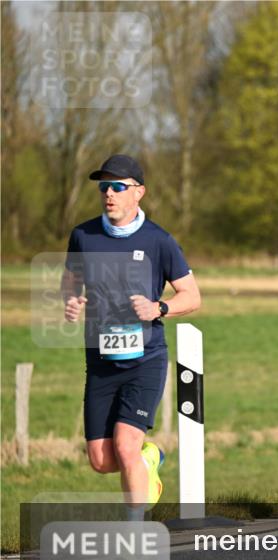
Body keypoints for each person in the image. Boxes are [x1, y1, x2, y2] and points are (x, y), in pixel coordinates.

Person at [62, 154, 201, 520]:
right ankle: (149, 458)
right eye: (104, 187)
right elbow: (70, 283)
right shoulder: (83, 236)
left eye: (118, 186)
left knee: (125, 445)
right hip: (101, 362)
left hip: (145, 360)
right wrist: (71, 301)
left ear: (139, 192)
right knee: (101, 460)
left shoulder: (159, 241)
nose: (109, 193)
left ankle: (135, 532)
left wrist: (159, 308)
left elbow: (191, 296)